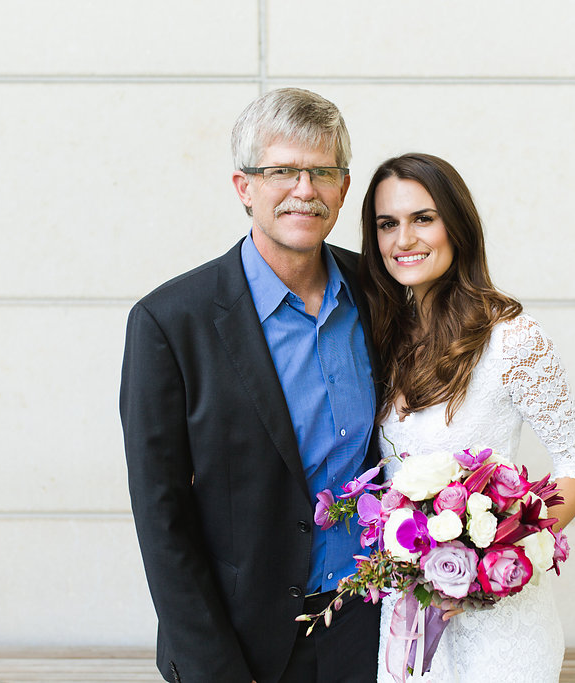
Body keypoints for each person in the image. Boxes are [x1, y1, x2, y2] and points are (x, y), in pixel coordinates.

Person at [120, 88, 382, 683]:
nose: (304, 189)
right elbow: (161, 515)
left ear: (343, 188)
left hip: (369, 630)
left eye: (322, 171)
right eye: (283, 171)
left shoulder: (381, 295)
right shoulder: (170, 322)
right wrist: (213, 666)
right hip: (242, 646)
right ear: (244, 187)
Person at [357, 153, 575, 682]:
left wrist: (500, 563)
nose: (404, 240)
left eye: (423, 218)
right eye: (387, 224)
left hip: (500, 628)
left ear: (457, 225)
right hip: (407, 616)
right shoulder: (381, 335)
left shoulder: (509, 335)